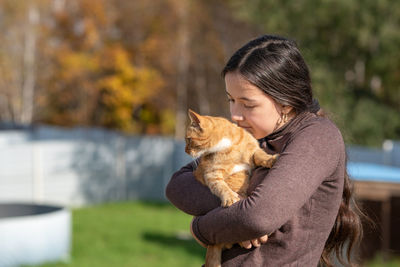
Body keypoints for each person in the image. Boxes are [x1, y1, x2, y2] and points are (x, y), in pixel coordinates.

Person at [166, 34, 363, 267]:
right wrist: (236, 210)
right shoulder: (249, 136)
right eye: (231, 100)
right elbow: (178, 185)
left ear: (286, 101)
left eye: (248, 104)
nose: (235, 115)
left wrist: (200, 228)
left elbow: (258, 217)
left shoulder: (317, 137)